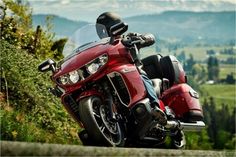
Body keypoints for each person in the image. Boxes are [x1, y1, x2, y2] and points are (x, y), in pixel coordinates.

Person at [96, 12, 167, 125]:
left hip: (133, 70)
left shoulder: (128, 38)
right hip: (112, 74)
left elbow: (151, 38)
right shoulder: (102, 47)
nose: (102, 32)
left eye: (104, 29)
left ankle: (155, 106)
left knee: (141, 75)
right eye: (100, 30)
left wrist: (141, 38)